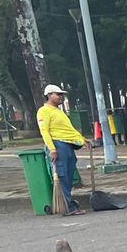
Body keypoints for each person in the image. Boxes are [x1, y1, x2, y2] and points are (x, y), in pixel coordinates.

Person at [37, 85, 87, 216]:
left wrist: (82, 139)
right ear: (48, 95)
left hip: (67, 145)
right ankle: (67, 207)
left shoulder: (59, 112)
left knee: (69, 176)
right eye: (57, 94)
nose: (60, 97)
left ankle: (68, 204)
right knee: (62, 176)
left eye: (61, 95)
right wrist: (52, 149)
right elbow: (44, 131)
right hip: (58, 146)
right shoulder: (44, 111)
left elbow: (68, 129)